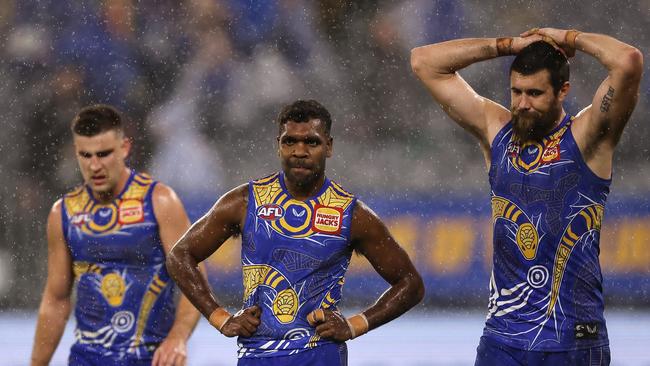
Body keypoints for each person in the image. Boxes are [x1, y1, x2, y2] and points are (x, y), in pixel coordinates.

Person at [411, 28, 643, 365]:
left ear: (563, 90)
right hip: (503, 339)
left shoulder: (588, 138)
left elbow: (628, 61)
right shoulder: (497, 131)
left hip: (574, 340)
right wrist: (508, 45)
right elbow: (424, 62)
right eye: (516, 92)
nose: (522, 104)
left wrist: (569, 37)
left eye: (534, 93)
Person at [166, 99, 425, 365]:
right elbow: (180, 256)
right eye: (290, 141)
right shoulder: (244, 202)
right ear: (278, 145)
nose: (299, 151)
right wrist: (220, 318)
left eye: (311, 142)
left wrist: (354, 325)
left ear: (329, 146)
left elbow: (411, 284)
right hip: (257, 356)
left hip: (320, 356)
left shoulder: (352, 214)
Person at [30, 105, 202, 366]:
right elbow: (56, 300)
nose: (94, 165)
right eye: (85, 155)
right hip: (87, 359)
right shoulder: (63, 214)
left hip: (152, 359)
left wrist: (177, 338)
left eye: (104, 153)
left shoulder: (160, 202)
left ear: (124, 148)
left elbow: (195, 280)